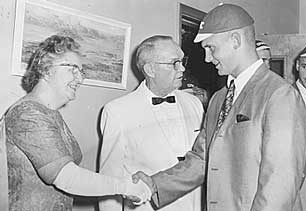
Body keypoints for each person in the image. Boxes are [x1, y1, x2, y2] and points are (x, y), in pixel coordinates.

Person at [132, 4, 306, 211]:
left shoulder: (279, 94)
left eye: (211, 48)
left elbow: (281, 181)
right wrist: (154, 184)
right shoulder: (218, 99)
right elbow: (202, 159)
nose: (207, 58)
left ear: (235, 41)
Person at [2, 35, 150, 211]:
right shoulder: (28, 114)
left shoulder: (49, 113)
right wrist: (125, 186)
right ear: (46, 69)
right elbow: (68, 178)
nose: (80, 78)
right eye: (73, 69)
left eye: (81, 71)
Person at [98, 35, 204, 211]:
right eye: (174, 63)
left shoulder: (194, 103)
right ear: (150, 69)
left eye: (182, 60)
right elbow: (110, 180)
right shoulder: (117, 111)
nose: (183, 68)